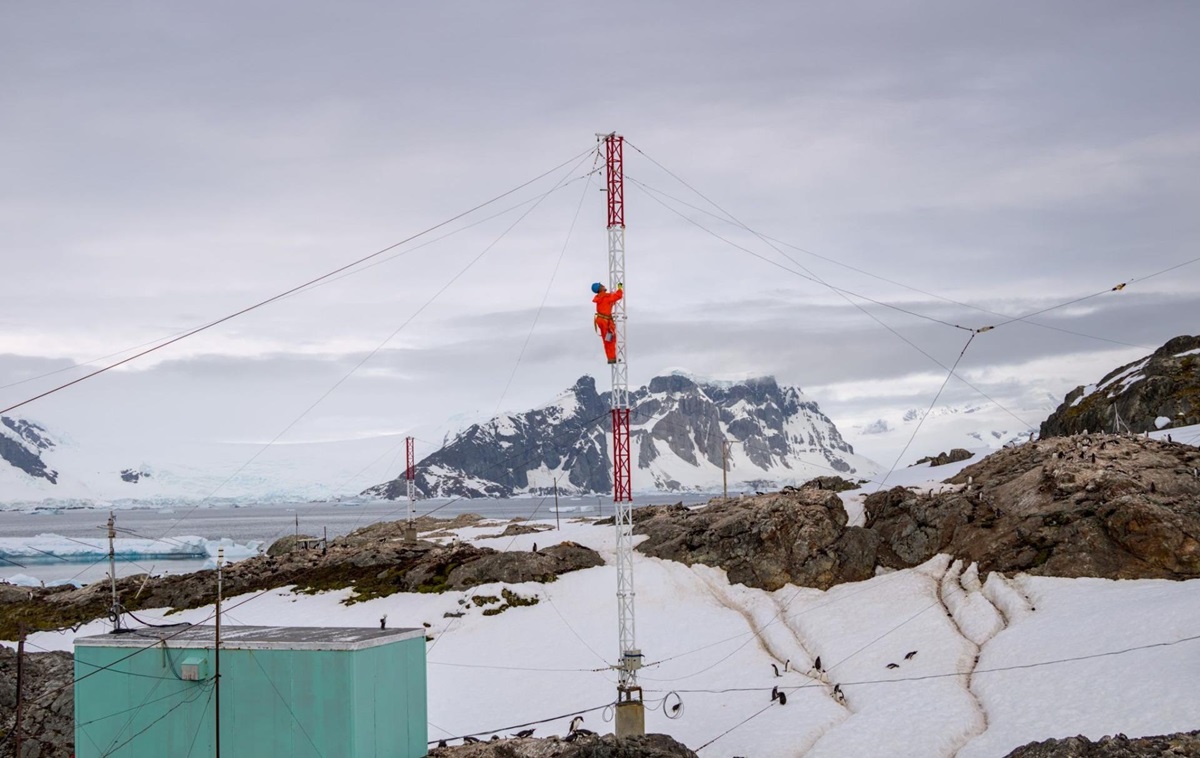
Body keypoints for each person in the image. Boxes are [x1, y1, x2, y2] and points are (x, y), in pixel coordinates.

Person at [592, 281, 623, 363]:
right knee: (609, 340)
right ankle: (611, 358)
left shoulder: (600, 297)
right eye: (602, 285)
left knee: (608, 339)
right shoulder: (605, 297)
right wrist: (620, 289)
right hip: (605, 322)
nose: (604, 286)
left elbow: (610, 301)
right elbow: (618, 296)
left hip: (602, 320)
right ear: (600, 288)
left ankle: (611, 357)